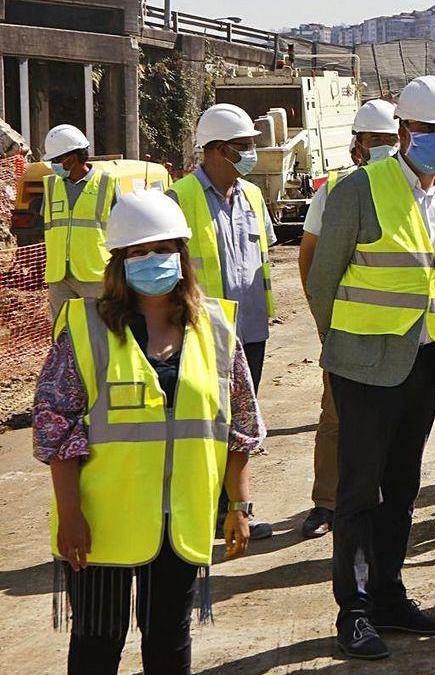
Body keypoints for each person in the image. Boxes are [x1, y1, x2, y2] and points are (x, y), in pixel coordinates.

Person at [34, 190, 262, 674]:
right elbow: (56, 434)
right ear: (118, 263)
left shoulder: (217, 328)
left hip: (180, 523)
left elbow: (239, 425)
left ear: (182, 255)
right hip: (102, 525)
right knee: (98, 642)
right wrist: (71, 516)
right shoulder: (85, 328)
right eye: (138, 252)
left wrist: (239, 507)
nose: (153, 260)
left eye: (163, 249)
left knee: (169, 642)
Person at [307, 75, 435, 659]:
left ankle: (390, 598)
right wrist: (340, 347)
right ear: (403, 131)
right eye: (430, 130)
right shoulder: (359, 189)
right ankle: (353, 611)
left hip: (423, 360)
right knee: (357, 494)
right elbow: (323, 281)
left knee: (402, 490)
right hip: (363, 365)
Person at [168, 102, 276, 540]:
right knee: (207, 426)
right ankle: (209, 510)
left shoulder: (250, 196)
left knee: (241, 428)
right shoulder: (181, 197)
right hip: (203, 332)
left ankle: (232, 510)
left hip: (250, 328)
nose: (251, 154)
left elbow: (265, 255)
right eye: (243, 147)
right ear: (215, 150)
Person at [297, 99, 401, 539]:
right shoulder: (335, 188)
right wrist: (325, 320)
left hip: (397, 330)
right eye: (373, 140)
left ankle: (383, 500)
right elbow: (309, 257)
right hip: (346, 327)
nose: (380, 147)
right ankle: (326, 503)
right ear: (357, 144)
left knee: (392, 420)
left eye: (389, 140)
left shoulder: (409, 190)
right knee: (336, 416)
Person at [41, 124, 121, 319]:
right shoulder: (51, 186)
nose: (54, 165)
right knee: (63, 336)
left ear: (73, 156)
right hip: (59, 277)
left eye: (57, 160)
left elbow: (122, 229)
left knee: (102, 332)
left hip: (94, 275)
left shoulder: (106, 184)